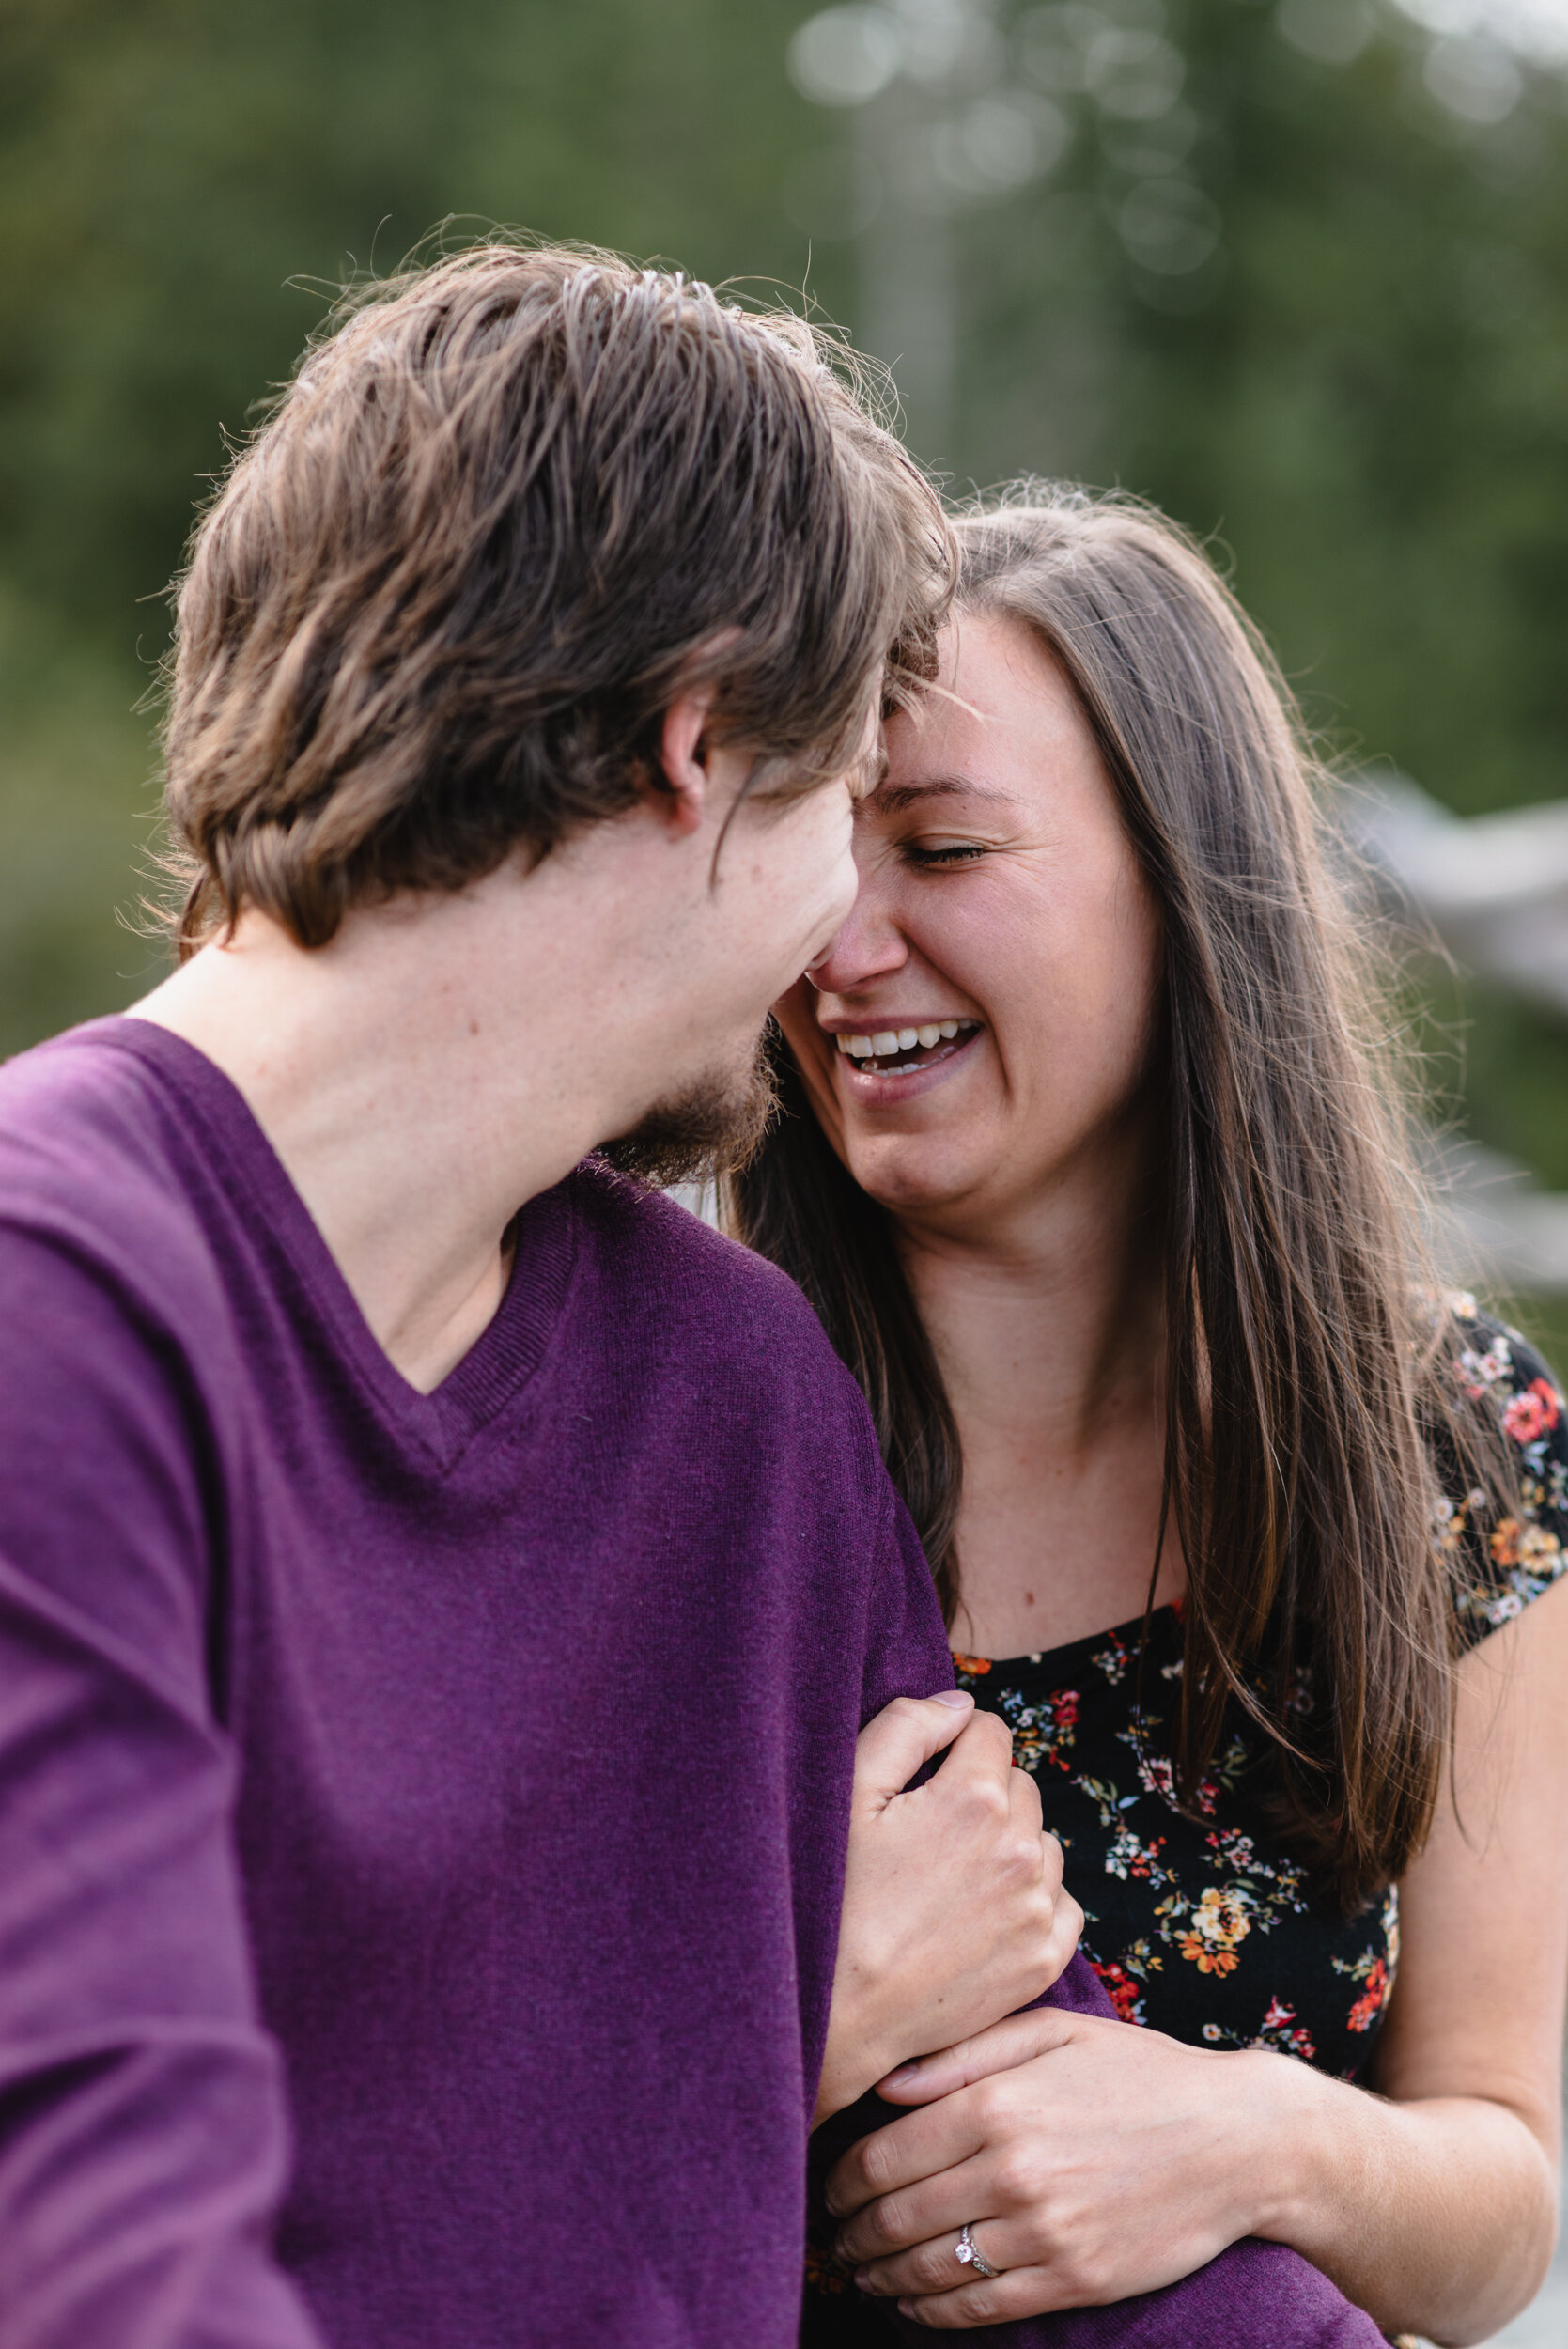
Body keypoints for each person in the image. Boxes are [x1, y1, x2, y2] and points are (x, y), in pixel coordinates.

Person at [0, 255, 1383, 2349]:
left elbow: (1080, 2251)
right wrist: (753, 2015)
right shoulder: (55, 1315)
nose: (844, 934)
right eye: (845, 803)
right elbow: (115, 2274)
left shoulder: (727, 1390)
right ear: (696, 749)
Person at [733, 486, 1568, 2343]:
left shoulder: (1457, 1451)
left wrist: (1251, 2136)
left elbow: (1501, 2195)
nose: (840, 942)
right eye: (812, 850)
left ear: (1183, 890)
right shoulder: (676, 1418)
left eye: (939, 848)